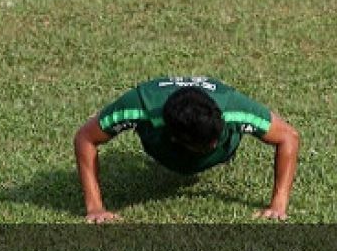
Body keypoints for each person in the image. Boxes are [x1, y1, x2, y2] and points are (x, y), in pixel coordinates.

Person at [73, 76, 300, 222]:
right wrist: (95, 208)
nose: (212, 145)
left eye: (214, 139)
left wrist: (278, 205)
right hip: (165, 147)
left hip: (215, 146)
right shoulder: (141, 104)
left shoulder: (232, 107)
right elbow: (85, 137)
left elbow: (289, 137)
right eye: (206, 145)